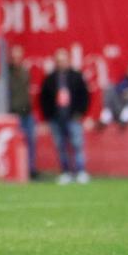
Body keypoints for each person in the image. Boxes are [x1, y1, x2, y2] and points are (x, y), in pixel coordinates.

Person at [39, 48, 90, 184]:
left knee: (77, 144)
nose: (61, 63)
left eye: (64, 60)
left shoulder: (76, 76)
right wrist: (48, 116)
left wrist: (80, 113)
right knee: (61, 146)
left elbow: (84, 96)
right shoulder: (50, 78)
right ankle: (65, 171)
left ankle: (80, 171)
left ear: (68, 61)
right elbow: (44, 99)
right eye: (59, 61)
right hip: (57, 118)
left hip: (73, 116)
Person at [6, 46, 37, 179]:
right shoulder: (6, 73)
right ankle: (14, 171)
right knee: (13, 144)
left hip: (26, 112)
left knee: (30, 142)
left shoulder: (25, 71)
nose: (16, 59)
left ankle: (31, 170)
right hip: (14, 113)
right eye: (14, 57)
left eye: (18, 57)